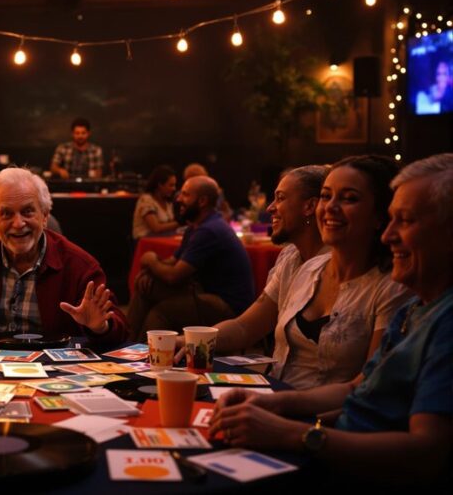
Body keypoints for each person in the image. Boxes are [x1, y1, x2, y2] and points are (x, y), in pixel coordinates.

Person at [208, 154, 453, 487]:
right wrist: (272, 403)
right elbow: (358, 389)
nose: (388, 235)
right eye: (326, 195)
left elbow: (427, 454)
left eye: (406, 221)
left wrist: (294, 433)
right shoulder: (416, 310)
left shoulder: (437, 317)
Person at [0, 167, 128, 348]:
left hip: (53, 376)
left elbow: (120, 328)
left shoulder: (80, 264)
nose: (18, 224)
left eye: (28, 211)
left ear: (45, 216)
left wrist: (100, 327)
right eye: (6, 214)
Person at [259, 156, 412, 389]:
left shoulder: (392, 286)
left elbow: (367, 389)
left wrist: (280, 406)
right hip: (274, 396)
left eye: (349, 198)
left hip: (324, 417)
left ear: (380, 216)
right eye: (326, 196)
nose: (330, 207)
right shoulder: (310, 268)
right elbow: (248, 326)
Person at [174, 165, 330, 357]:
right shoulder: (290, 258)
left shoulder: (338, 265)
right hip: (278, 381)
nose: (270, 207)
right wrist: (188, 340)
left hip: (299, 387)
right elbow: (245, 327)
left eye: (280, 198)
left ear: (309, 207)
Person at [127, 176, 255, 340]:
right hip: (204, 293)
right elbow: (172, 263)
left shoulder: (209, 230)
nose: (178, 198)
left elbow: (173, 276)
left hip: (229, 305)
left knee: (161, 312)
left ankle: (140, 356)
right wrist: (150, 272)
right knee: (146, 286)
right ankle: (128, 349)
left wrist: (151, 260)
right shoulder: (196, 227)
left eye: (185, 195)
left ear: (202, 201)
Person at [132, 164, 179, 239]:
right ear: (160, 184)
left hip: (162, 239)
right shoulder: (146, 200)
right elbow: (156, 228)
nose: (174, 189)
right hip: (145, 243)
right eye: (171, 185)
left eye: (174, 185)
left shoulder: (167, 202)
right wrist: (180, 223)